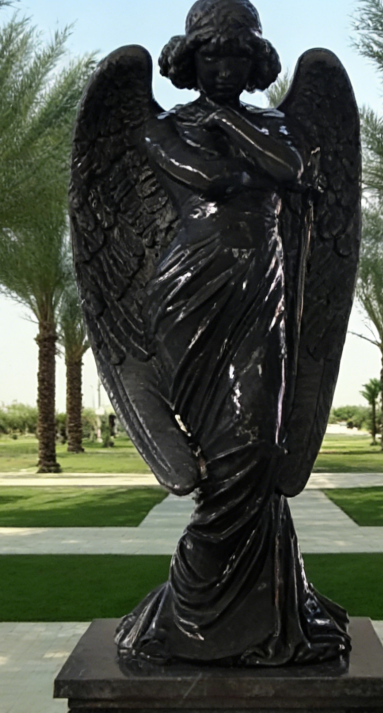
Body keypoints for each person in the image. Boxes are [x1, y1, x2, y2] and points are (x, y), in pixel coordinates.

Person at [111, 0, 351, 666]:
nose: (225, 67)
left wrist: (231, 125)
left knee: (261, 445)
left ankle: (258, 611)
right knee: (226, 455)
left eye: (238, 55)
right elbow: (213, 178)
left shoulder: (274, 124)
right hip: (192, 291)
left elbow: (295, 170)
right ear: (191, 59)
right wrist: (251, 155)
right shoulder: (162, 128)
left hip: (263, 291)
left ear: (256, 61)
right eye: (212, 54)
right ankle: (195, 611)